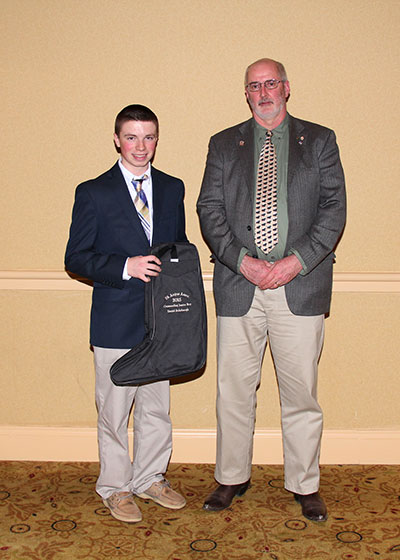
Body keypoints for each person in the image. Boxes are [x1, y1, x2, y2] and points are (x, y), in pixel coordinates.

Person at [197, 58, 346, 522]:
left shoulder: (319, 140)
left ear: (286, 87)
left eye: (270, 83)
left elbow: (334, 208)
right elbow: (209, 209)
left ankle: (305, 484)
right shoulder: (223, 144)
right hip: (238, 285)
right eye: (254, 86)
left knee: (301, 394)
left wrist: (294, 261)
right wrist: (242, 261)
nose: (263, 92)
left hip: (299, 286)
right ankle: (231, 477)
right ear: (246, 93)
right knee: (233, 392)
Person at [65, 104, 187, 523]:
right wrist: (124, 266)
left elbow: (177, 250)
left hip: (161, 321)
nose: (140, 146)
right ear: (117, 139)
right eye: (131, 137)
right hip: (115, 320)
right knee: (114, 410)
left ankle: (149, 477)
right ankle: (115, 487)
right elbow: (76, 257)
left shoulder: (172, 188)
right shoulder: (93, 192)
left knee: (156, 407)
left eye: (148, 137)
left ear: (157, 139)